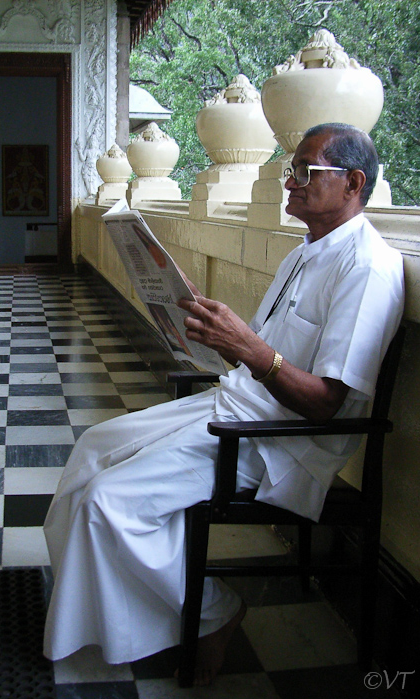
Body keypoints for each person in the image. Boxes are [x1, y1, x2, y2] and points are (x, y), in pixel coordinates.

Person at [43, 123, 404, 685]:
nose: (290, 182)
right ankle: (100, 614)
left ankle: (212, 610)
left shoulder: (367, 267)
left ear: (353, 182)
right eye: (292, 169)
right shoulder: (304, 252)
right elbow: (254, 358)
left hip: (279, 443)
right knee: (92, 448)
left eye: (307, 171)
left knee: (109, 500)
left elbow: (326, 406)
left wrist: (252, 352)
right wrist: (204, 336)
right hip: (237, 406)